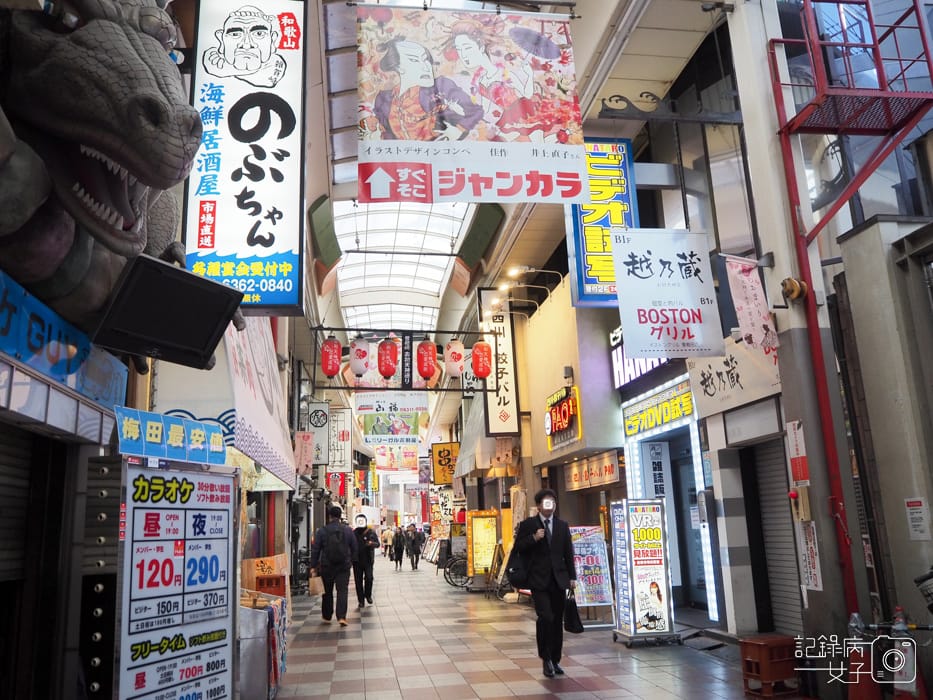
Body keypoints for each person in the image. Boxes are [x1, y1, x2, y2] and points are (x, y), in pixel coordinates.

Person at [515, 488, 577, 678]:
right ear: (539, 506)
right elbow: (518, 547)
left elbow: (568, 553)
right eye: (546, 503)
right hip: (538, 580)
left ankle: (555, 660)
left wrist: (572, 577)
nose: (550, 506)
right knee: (546, 618)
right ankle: (546, 658)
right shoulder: (528, 525)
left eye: (553, 502)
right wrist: (534, 538)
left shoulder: (562, 525)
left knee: (557, 620)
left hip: (558, 580)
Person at [370, 38, 482, 141]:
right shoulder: (384, 99)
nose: (426, 67)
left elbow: (475, 110)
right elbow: (386, 135)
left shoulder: (442, 85)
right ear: (398, 67)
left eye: (425, 59)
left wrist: (459, 130)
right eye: (414, 60)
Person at [448, 20, 536, 141]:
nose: (464, 55)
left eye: (467, 48)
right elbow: (485, 111)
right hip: (503, 126)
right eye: (459, 49)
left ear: (481, 46)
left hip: (523, 122)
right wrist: (461, 111)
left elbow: (527, 95)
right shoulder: (480, 79)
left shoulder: (504, 72)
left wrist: (530, 75)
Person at [202, 6, 287, 88]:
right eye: (235, 34)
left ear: (273, 39)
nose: (246, 45)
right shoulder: (213, 59)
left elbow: (271, 75)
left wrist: (225, 68)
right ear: (221, 39)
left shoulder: (276, 66)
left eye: (259, 34)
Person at [309, 505, 357, 626]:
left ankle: (327, 616)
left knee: (327, 591)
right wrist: (350, 561)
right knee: (342, 591)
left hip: (327, 566)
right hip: (343, 566)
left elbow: (316, 549)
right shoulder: (348, 530)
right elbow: (354, 547)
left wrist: (313, 565)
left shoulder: (322, 531)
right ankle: (341, 617)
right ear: (340, 516)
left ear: (329, 516)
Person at [352, 515, 380, 608]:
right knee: (358, 581)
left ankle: (368, 595)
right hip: (357, 561)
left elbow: (378, 544)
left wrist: (371, 544)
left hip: (368, 560)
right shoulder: (353, 533)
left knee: (369, 578)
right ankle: (361, 600)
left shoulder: (371, 532)